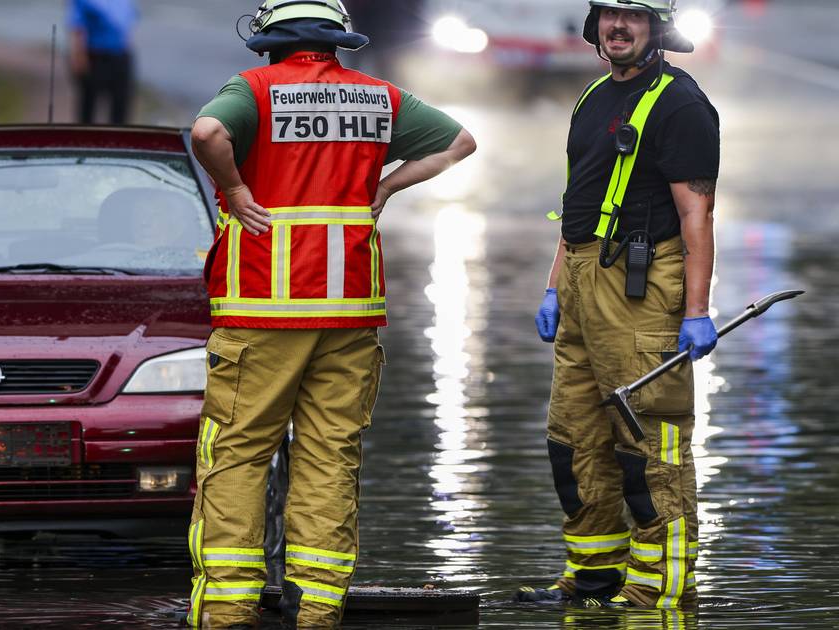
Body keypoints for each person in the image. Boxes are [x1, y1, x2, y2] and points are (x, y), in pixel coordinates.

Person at [186, 1, 476, 627]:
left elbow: (208, 134)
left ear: (270, 39)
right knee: (330, 456)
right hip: (351, 312)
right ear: (337, 38)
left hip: (261, 307)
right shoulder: (378, 97)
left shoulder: (254, 90)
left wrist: (236, 190)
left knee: (237, 454)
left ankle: (230, 614)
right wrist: (390, 184)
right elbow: (460, 142)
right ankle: (317, 612)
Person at [520, 0, 720, 610]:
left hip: (641, 286)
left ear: (657, 27)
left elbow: (697, 215)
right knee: (574, 439)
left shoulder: (681, 104)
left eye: (633, 16)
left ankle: (660, 591)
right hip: (583, 277)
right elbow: (577, 200)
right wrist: (554, 286)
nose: (619, 26)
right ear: (594, 25)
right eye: (609, 14)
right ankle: (593, 577)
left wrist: (696, 309)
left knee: (648, 445)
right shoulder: (592, 98)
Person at [68, 0, 138, 125]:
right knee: (88, 104)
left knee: (121, 105)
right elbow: (78, 27)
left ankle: (118, 140)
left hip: (120, 55)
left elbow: (125, 26)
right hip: (94, 55)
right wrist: (78, 56)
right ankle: (84, 140)